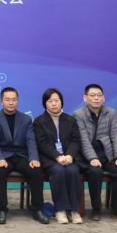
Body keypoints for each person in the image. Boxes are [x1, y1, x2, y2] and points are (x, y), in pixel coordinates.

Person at [0, 87, 48, 225]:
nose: (11, 102)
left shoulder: (26, 119)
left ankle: (37, 209)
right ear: (1, 102)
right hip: (4, 156)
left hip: (21, 155)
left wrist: (34, 158)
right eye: (7, 100)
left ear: (18, 101)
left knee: (36, 170)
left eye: (14, 100)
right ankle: (2, 209)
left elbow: (31, 140)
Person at [71, 84, 117, 221]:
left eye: (99, 95)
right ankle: (96, 209)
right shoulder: (78, 114)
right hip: (87, 157)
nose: (96, 98)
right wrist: (92, 158)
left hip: (107, 155)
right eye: (92, 95)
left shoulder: (111, 112)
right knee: (95, 172)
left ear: (103, 98)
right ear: (85, 98)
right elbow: (83, 140)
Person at [33, 88, 83, 225]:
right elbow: (41, 143)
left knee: (73, 171)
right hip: (49, 159)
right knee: (58, 171)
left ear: (62, 102)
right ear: (45, 103)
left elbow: (75, 141)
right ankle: (60, 209)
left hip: (69, 158)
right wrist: (57, 156)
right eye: (50, 101)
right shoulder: (39, 121)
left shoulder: (70, 120)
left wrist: (70, 155)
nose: (54, 104)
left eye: (57, 100)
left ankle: (74, 210)